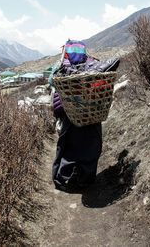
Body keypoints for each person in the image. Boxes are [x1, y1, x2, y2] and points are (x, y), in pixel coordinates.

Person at [49, 40, 103, 192]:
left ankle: (63, 178)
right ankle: (86, 178)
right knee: (91, 144)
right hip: (92, 112)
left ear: (66, 51)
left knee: (68, 145)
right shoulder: (93, 63)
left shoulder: (61, 65)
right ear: (84, 51)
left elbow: (51, 81)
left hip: (69, 112)